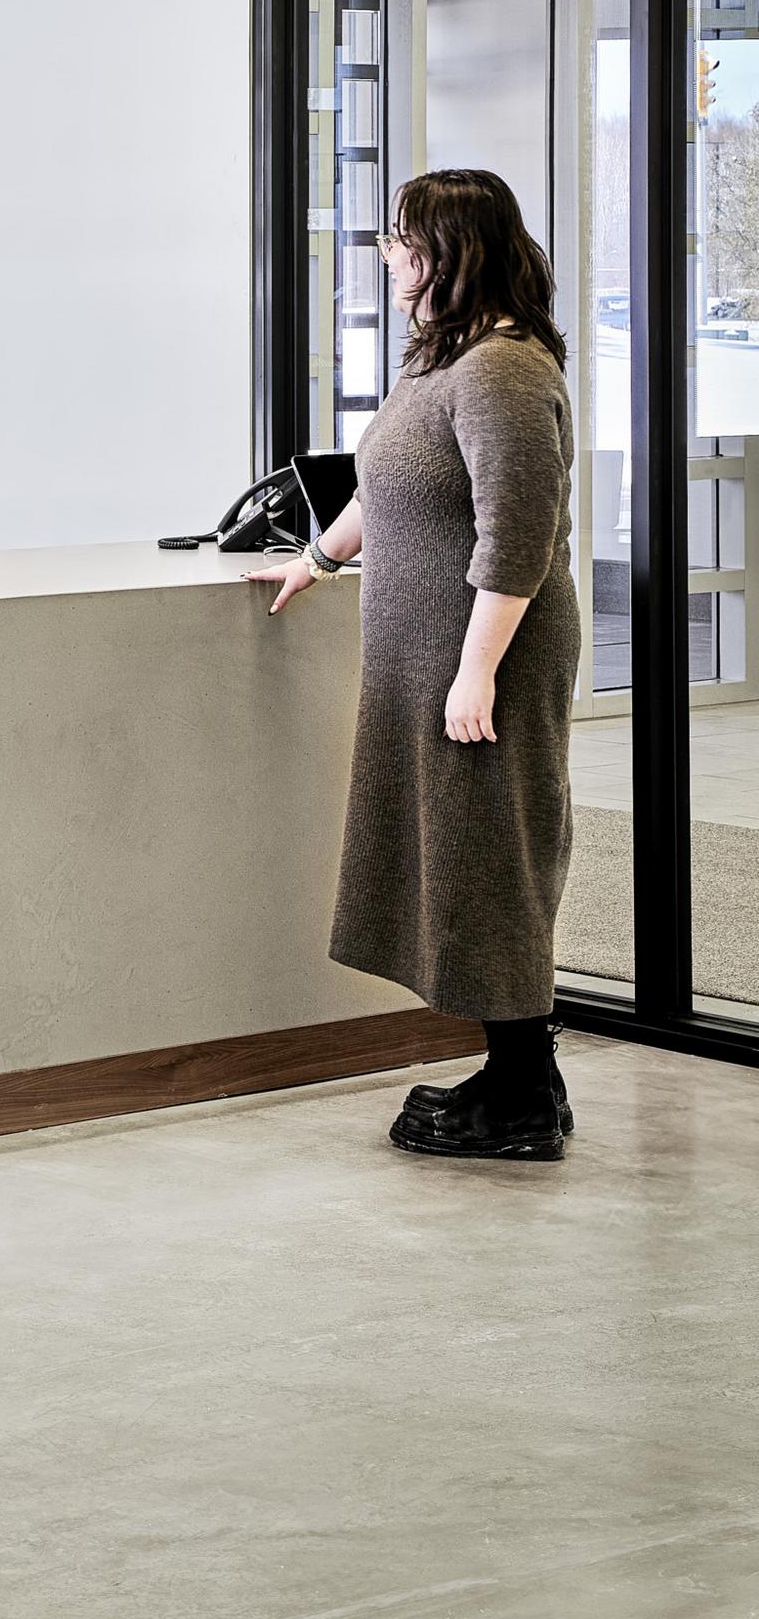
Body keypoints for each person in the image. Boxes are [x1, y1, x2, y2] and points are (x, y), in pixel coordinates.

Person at [247, 169, 579, 1161]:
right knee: (456, 861)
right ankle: (514, 1075)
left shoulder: (502, 371)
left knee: (491, 863)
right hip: (431, 660)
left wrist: (474, 670)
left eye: (404, 240)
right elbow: (385, 485)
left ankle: (523, 1096)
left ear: (452, 251)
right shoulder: (442, 358)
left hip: (485, 661)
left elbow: (516, 535)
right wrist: (315, 556)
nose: (389, 258)